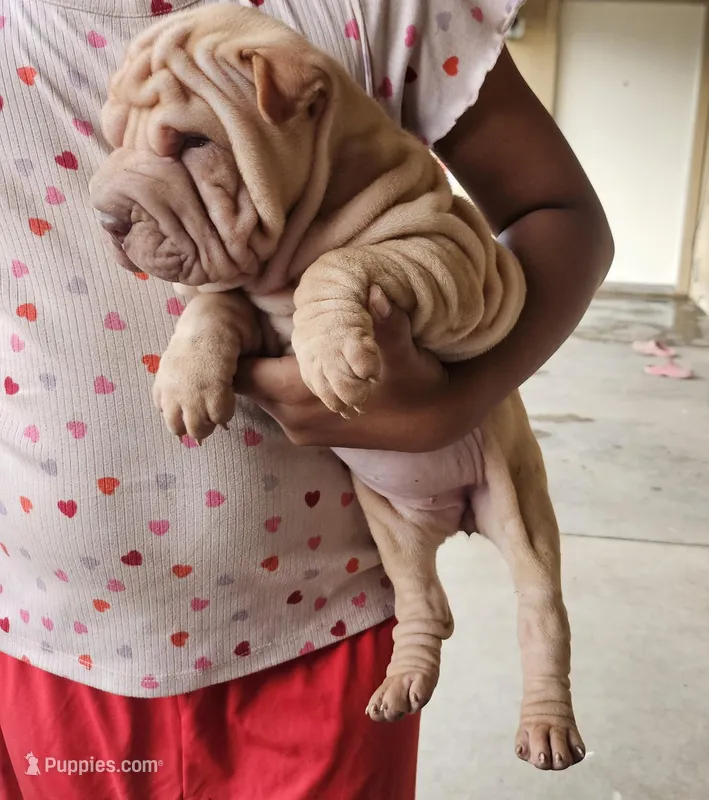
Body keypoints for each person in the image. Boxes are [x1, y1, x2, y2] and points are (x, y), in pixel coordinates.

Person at [0, 0, 614, 797]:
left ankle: (537, 683)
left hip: (318, 629)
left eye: (184, 143)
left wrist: (453, 404)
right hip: (52, 636)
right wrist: (205, 331)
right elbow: (230, 297)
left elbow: (553, 216)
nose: (116, 198)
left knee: (529, 569)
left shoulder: (374, 14)